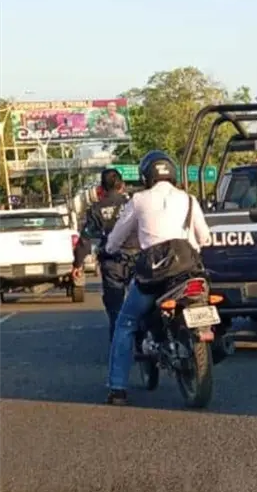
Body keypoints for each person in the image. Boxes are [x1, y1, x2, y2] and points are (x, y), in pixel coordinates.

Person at [103, 151, 211, 405]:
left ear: (146, 175)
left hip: (154, 276)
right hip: (188, 272)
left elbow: (118, 235)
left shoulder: (139, 200)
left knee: (126, 322)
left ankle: (117, 388)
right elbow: (204, 237)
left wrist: (110, 248)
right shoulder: (189, 200)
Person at [73, 169, 139, 342]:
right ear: (122, 185)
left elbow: (85, 239)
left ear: (101, 188)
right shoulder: (134, 203)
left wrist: (77, 264)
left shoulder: (96, 209)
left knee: (115, 309)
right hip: (139, 260)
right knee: (143, 303)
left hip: (112, 263)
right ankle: (145, 343)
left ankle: (120, 349)